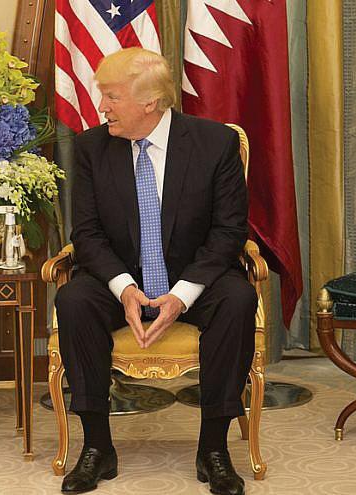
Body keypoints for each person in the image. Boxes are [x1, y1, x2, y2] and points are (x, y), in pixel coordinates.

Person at [55, 47, 255, 495]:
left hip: (193, 277)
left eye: (111, 96)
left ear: (150, 102)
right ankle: (97, 446)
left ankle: (214, 449)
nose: (101, 106)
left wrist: (182, 295)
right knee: (73, 299)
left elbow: (229, 231)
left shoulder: (213, 143)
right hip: (121, 276)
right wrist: (124, 289)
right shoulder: (91, 148)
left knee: (238, 298)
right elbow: (86, 233)